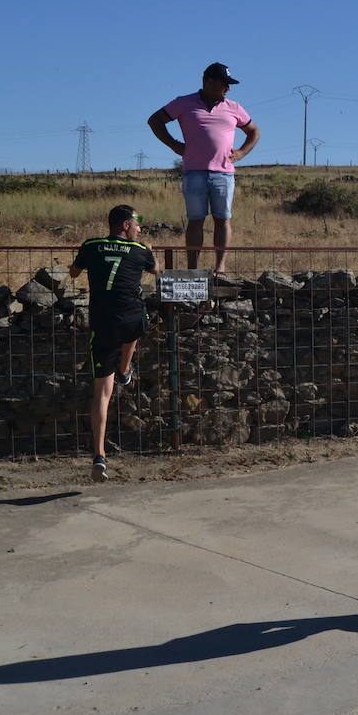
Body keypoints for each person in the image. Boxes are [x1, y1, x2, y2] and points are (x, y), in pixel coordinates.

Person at [68, 205, 160, 482]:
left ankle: (99, 455)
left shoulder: (91, 245)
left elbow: (73, 273)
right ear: (124, 226)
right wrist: (149, 249)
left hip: (103, 323)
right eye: (137, 223)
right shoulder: (140, 250)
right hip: (131, 319)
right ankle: (125, 368)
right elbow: (157, 270)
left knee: (101, 394)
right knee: (137, 326)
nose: (140, 228)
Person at [147, 63, 259, 276]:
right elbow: (155, 121)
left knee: (222, 218)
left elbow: (254, 131)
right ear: (209, 82)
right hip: (194, 172)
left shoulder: (234, 107)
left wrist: (242, 153)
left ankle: (220, 269)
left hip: (224, 173)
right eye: (225, 83)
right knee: (195, 220)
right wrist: (174, 144)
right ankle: (193, 269)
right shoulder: (184, 103)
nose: (228, 88)